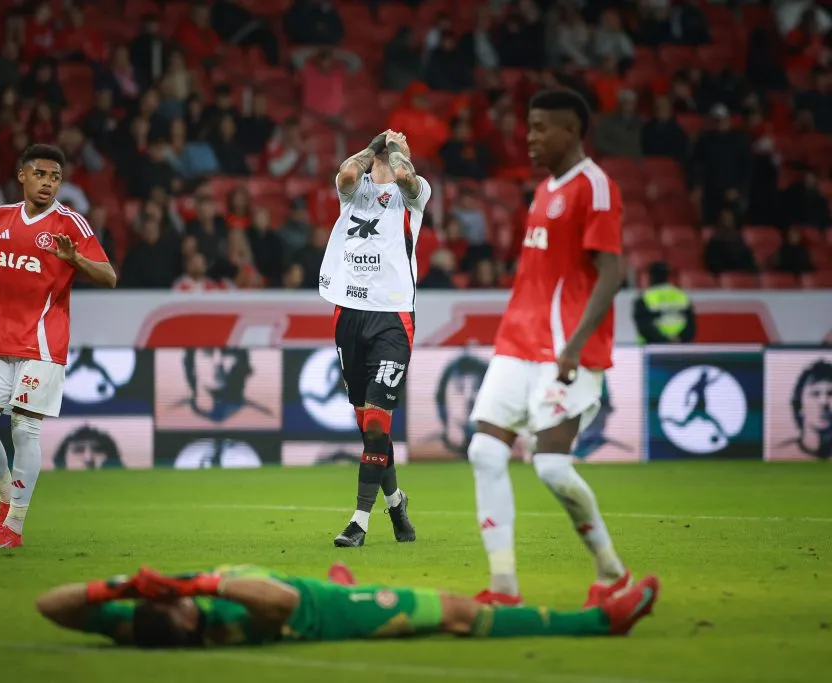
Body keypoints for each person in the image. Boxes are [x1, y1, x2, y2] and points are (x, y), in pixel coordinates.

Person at [465, 89, 630, 608]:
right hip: (517, 344)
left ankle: (610, 570)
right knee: (484, 450)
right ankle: (504, 585)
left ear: (572, 131)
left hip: (564, 350)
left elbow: (613, 272)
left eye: (540, 128)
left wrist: (576, 345)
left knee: (552, 468)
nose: (530, 137)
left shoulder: (595, 188)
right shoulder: (542, 190)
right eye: (528, 127)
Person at [0, 144, 117, 550]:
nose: (48, 182)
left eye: (55, 177)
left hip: (42, 343)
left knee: (24, 427)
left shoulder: (71, 224)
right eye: (40, 174)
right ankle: (6, 496)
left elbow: (108, 276)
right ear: (22, 176)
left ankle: (13, 525)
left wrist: (77, 261)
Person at [35, 562, 661, 648]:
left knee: (331, 578)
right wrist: (195, 586)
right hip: (324, 611)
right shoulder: (217, 614)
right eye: (184, 610)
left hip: (319, 591)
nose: (184, 606)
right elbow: (279, 600)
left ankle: (340, 575)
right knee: (456, 611)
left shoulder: (130, 620)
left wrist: (113, 590)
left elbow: (48, 605)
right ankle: (602, 620)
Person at [319, 129, 432, 547]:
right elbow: (347, 171)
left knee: (376, 425)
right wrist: (372, 146)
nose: (388, 159)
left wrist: (399, 149)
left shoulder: (414, 195)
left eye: (392, 155)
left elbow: (406, 179)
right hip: (348, 314)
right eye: (386, 154)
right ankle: (397, 503)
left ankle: (359, 522)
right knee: (369, 429)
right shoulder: (353, 192)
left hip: (393, 317)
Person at [633, 262, 695, 344]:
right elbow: (691, 326)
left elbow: (644, 327)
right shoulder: (682, 296)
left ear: (650, 277)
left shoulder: (644, 298)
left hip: (651, 348)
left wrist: (665, 341)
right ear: (667, 276)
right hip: (680, 346)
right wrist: (678, 339)